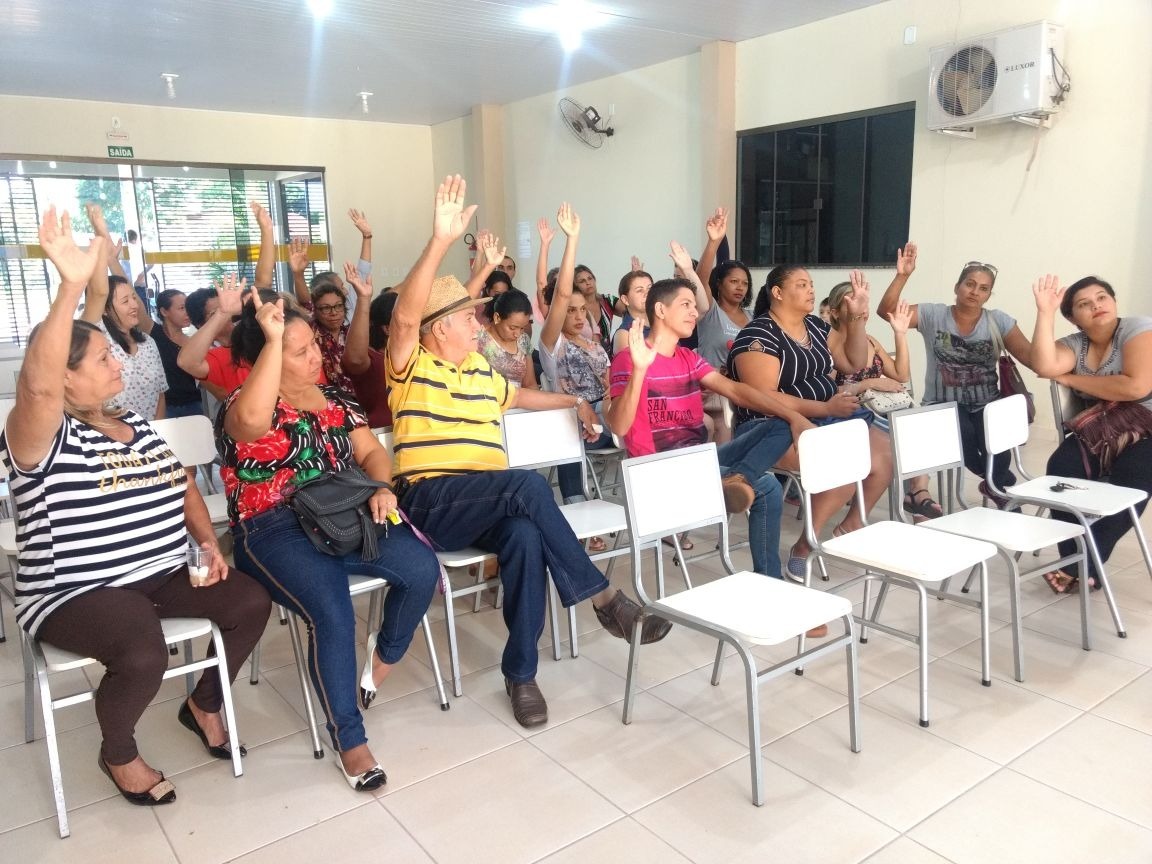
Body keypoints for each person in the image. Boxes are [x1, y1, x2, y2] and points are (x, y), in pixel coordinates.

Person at [1, 208, 269, 806]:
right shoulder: (40, 436)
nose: (117, 362)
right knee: (143, 650)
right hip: (76, 591)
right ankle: (117, 753)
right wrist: (73, 284)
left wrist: (204, 544)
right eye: (101, 359)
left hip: (165, 572)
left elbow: (185, 489)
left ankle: (202, 702)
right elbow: (36, 388)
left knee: (250, 601)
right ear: (65, 380)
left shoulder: (140, 429)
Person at [387, 175, 671, 728]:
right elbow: (403, 317)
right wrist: (441, 240)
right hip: (427, 501)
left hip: (483, 503)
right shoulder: (410, 366)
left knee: (524, 536)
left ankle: (520, 674)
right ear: (439, 329)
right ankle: (603, 596)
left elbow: (523, 395)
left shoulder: (478, 370)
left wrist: (576, 402)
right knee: (526, 485)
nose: (480, 322)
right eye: (469, 317)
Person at [218, 288, 441, 791]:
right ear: (264, 358)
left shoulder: (336, 397)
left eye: (313, 344)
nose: (316, 355)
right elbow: (251, 425)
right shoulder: (244, 404)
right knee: (332, 607)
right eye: (299, 350)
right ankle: (350, 738)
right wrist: (274, 340)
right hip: (271, 527)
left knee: (422, 568)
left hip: (343, 512)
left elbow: (370, 455)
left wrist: (381, 486)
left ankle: (377, 664)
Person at [608, 278, 815, 590]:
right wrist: (639, 370)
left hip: (699, 460)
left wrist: (793, 415)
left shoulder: (689, 358)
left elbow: (734, 390)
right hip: (657, 471)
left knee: (780, 424)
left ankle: (739, 478)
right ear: (661, 310)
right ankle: (771, 587)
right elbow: (619, 427)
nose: (695, 312)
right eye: (686, 305)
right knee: (769, 487)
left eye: (695, 305)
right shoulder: (630, 358)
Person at [731, 266, 891, 580]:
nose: (811, 290)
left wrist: (856, 317)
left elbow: (853, 362)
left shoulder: (815, 326)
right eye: (801, 284)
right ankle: (808, 545)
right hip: (771, 427)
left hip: (826, 417)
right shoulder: (758, 335)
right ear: (777, 293)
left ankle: (848, 525)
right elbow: (763, 395)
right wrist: (824, 406)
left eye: (811, 284)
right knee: (844, 460)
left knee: (884, 452)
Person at [876, 245, 1033, 505]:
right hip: (942, 405)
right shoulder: (933, 315)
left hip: (988, 403)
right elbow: (887, 312)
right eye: (970, 284)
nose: (975, 291)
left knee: (998, 435)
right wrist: (903, 276)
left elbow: (1030, 357)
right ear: (957, 287)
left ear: (989, 295)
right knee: (964, 431)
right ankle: (999, 487)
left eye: (983, 288)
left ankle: (998, 486)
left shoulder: (998, 321)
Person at [1029, 275, 1152, 594]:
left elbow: (1136, 387)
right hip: (1101, 430)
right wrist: (1045, 313)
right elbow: (1043, 366)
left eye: (1102, 298)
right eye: (1084, 304)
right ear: (1072, 317)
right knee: (1061, 469)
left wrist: (1072, 379)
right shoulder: (1075, 344)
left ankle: (1076, 567)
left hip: (1148, 425)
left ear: (1114, 302)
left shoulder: (1137, 328)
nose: (1097, 306)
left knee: (1131, 478)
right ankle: (1079, 566)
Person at [825, 282, 937, 519]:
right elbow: (828, 392)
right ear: (835, 312)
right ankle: (917, 496)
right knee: (906, 434)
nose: (862, 308)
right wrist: (870, 383)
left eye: (863, 302)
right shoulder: (830, 343)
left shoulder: (871, 340)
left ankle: (918, 491)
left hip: (881, 409)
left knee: (924, 427)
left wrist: (900, 334)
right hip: (854, 413)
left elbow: (901, 374)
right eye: (852, 301)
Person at [538, 203, 616, 520]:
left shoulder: (595, 345)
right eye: (571, 310)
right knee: (569, 431)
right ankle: (577, 507)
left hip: (604, 416)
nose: (579, 316)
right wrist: (572, 240)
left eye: (582, 309)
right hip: (573, 417)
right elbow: (559, 296)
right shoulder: (551, 344)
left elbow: (611, 386)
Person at [697, 259, 753, 445]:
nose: (740, 288)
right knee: (721, 455)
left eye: (745, 283)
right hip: (714, 394)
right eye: (734, 281)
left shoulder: (752, 317)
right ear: (719, 283)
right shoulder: (710, 311)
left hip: (746, 393)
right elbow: (699, 280)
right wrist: (713, 242)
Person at [341, 265, 394, 429]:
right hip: (384, 438)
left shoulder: (418, 354)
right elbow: (355, 359)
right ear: (387, 328)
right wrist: (364, 299)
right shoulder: (373, 360)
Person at [151, 289, 205, 418]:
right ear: (164, 311)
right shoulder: (155, 333)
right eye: (181, 308)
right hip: (165, 406)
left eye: (188, 307)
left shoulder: (193, 340)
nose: (187, 312)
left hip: (194, 404)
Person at [477, 289, 539, 388]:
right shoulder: (480, 340)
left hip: (521, 400)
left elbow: (530, 384)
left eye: (522, 328)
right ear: (497, 318)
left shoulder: (523, 340)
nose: (517, 334)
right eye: (512, 328)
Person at [611, 269, 653, 356]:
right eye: (639, 290)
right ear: (625, 300)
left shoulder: (661, 323)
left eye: (650, 288)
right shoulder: (624, 335)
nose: (647, 293)